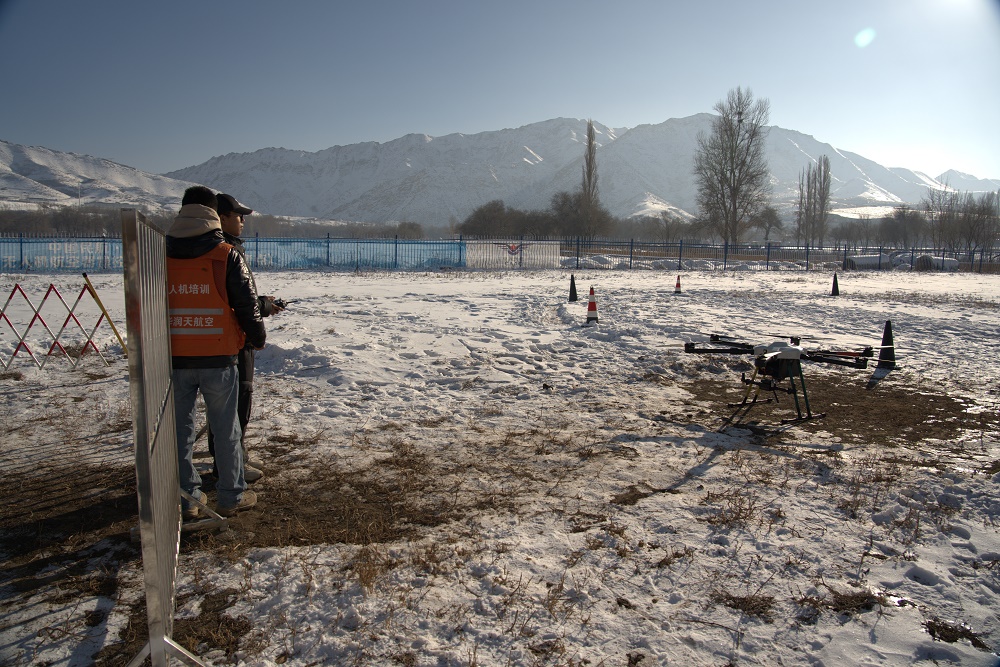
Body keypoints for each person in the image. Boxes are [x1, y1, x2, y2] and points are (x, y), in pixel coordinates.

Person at [167, 186, 266, 519]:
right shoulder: (225, 254)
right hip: (219, 357)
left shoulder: (159, 253)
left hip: (175, 357)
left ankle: (187, 499)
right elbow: (247, 304)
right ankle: (231, 496)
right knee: (225, 428)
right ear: (213, 213)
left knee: (179, 432)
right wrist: (257, 337)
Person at [206, 193, 284, 482]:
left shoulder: (221, 249)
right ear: (221, 217)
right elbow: (240, 304)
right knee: (234, 407)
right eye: (237, 215)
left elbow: (235, 298)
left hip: (220, 339)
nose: (241, 220)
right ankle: (229, 469)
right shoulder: (224, 252)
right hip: (232, 343)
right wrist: (257, 334)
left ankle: (232, 458)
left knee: (226, 408)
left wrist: (262, 304)